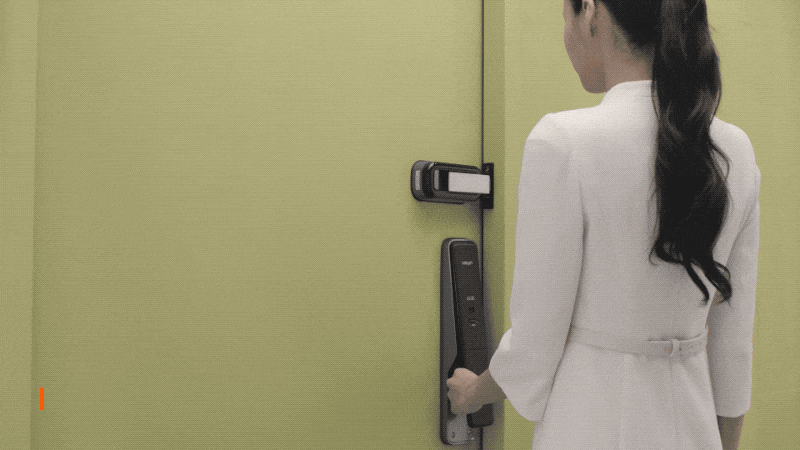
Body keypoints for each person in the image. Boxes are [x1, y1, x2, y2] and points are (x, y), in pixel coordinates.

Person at [446, 0, 760, 449]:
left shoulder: (563, 140)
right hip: (692, 427)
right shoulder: (735, 150)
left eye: (565, 17)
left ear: (591, 12)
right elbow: (733, 346)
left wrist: (474, 391)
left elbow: (537, 339)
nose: (566, 34)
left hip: (589, 422)